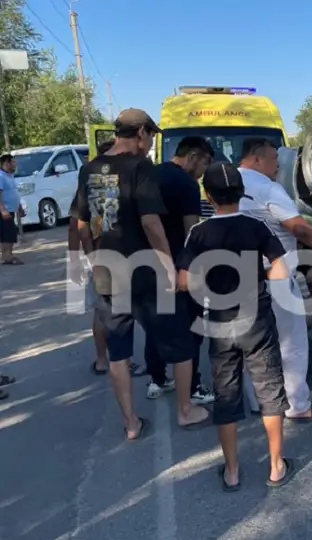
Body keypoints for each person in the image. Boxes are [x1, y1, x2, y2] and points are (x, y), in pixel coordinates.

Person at [72, 108, 210, 440]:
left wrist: (89, 258)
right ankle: (185, 410)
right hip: (145, 273)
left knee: (119, 350)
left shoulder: (90, 169)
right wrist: (168, 264)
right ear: (141, 133)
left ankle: (131, 423)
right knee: (180, 341)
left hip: (108, 271)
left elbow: (80, 223)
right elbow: (151, 223)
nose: (150, 145)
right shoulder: (140, 168)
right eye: (151, 137)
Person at [177, 162, 295, 489]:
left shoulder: (198, 233)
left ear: (207, 195)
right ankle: (276, 467)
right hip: (256, 319)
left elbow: (184, 281)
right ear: (241, 193)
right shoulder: (255, 226)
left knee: (226, 395)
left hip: (218, 322)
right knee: (270, 389)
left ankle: (231, 472)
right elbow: (281, 270)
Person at [238, 138, 312, 422]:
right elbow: (300, 229)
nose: (278, 165)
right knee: (291, 343)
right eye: (274, 158)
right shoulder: (267, 188)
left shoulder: (226, 185)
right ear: (257, 159)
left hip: (238, 278)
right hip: (274, 278)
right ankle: (298, 406)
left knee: (252, 344)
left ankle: (256, 402)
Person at [143, 136, 215, 404]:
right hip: (179, 265)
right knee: (191, 327)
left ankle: (157, 379)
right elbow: (191, 231)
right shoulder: (186, 184)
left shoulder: (151, 174)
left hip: (150, 262)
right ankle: (194, 386)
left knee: (157, 323)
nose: (204, 172)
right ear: (193, 157)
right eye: (205, 163)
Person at [68, 139, 147, 377]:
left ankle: (104, 359)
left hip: (97, 255)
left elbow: (76, 224)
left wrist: (78, 258)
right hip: (113, 256)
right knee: (120, 311)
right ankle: (122, 360)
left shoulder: (89, 184)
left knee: (102, 310)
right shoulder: (119, 184)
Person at [0, 154, 24, 265]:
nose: (15, 165)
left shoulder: (10, 176)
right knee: (8, 234)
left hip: (11, 209)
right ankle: (7, 256)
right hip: (4, 211)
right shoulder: (1, 176)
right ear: (7, 163)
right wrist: (2, 209)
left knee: (9, 233)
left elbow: (13, 192)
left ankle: (7, 255)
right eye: (13, 162)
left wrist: (19, 206)